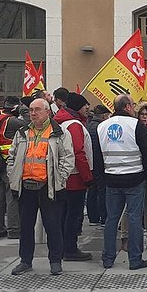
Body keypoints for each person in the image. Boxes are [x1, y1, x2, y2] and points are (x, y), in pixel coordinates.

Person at [7, 98, 74, 276]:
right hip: (26, 187)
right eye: (31, 110)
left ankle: (55, 261)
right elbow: (12, 156)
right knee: (25, 227)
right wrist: (12, 175)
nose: (33, 113)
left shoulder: (60, 133)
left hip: (49, 187)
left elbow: (68, 159)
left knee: (53, 226)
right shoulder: (22, 132)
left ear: (47, 112)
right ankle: (25, 261)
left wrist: (60, 178)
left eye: (37, 110)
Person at [97, 94, 147, 271]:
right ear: (128, 107)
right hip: (134, 178)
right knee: (134, 219)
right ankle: (135, 259)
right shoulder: (136, 125)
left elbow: (98, 156)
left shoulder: (102, 126)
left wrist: (101, 179)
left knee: (111, 219)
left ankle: (108, 258)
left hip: (112, 179)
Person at [53, 92, 95, 262]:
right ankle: (70, 248)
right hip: (76, 177)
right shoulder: (74, 125)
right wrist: (88, 177)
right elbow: (78, 152)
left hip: (63, 175)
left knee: (63, 213)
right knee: (73, 214)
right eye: (85, 105)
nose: (88, 108)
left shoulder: (60, 121)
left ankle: (62, 247)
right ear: (79, 106)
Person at [121, 102, 147, 249]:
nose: (144, 117)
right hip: (135, 172)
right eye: (142, 114)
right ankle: (125, 238)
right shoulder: (131, 131)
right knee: (130, 208)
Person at [0, 101, 25, 239]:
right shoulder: (13, 121)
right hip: (8, 163)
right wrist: (24, 111)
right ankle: (14, 229)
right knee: (12, 196)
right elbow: (30, 125)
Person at [85, 103, 110, 226]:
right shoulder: (101, 127)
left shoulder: (89, 125)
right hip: (99, 162)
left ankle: (93, 217)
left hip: (91, 162)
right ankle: (104, 217)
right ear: (105, 115)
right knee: (102, 190)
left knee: (92, 190)